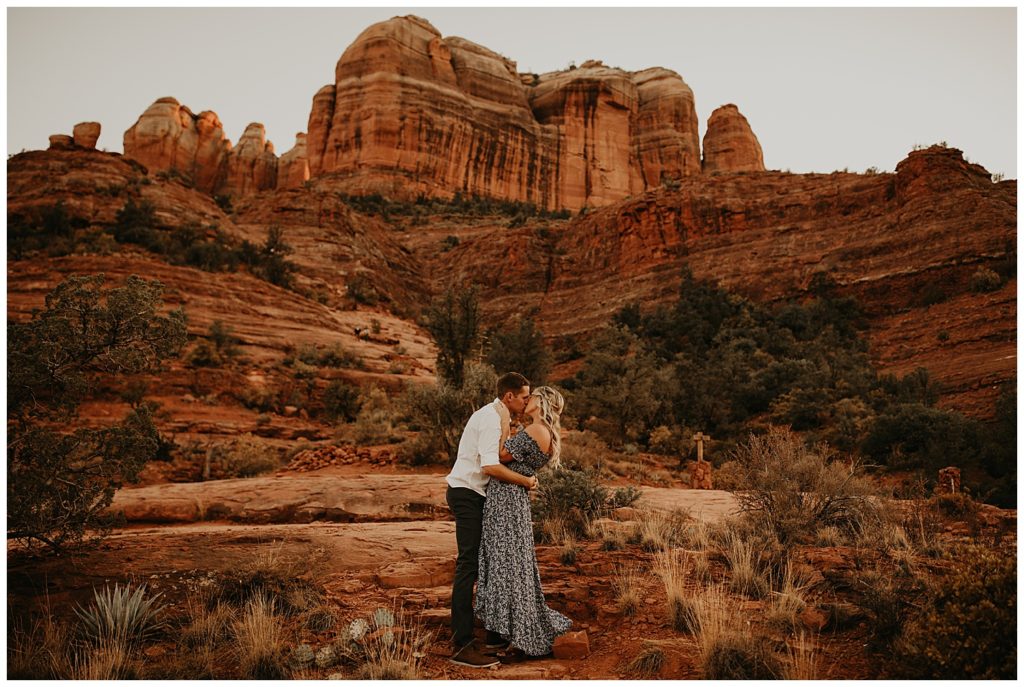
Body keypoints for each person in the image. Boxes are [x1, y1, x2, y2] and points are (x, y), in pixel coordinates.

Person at [445, 372, 538, 669]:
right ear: (509, 396)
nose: (527, 401)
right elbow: (490, 465)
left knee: (483, 563)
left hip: (475, 495)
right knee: (468, 564)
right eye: (524, 396)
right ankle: (461, 644)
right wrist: (525, 481)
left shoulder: (498, 416)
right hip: (467, 494)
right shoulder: (488, 419)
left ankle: (491, 634)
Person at [475, 386, 572, 658]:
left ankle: (521, 635)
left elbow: (500, 454)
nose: (527, 400)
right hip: (509, 497)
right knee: (508, 562)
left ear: (543, 403)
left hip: (507, 498)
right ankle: (504, 631)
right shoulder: (539, 430)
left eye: (533, 397)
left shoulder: (538, 430)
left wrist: (504, 421)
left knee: (508, 563)